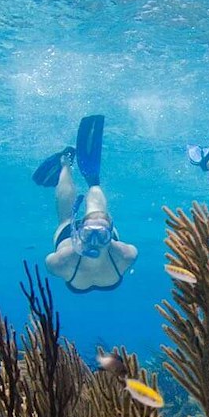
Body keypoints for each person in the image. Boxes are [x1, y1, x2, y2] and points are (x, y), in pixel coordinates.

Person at [35, 115, 138, 293]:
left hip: (84, 235)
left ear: (110, 237)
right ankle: (67, 164)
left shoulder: (125, 255)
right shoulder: (61, 261)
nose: (95, 243)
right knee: (75, 216)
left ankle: (71, 168)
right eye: (89, 235)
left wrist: (89, 232)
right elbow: (49, 264)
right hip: (71, 239)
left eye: (102, 236)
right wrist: (77, 241)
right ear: (79, 232)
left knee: (69, 217)